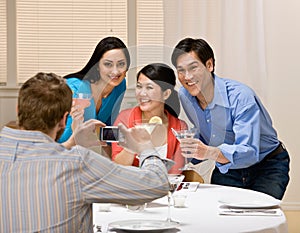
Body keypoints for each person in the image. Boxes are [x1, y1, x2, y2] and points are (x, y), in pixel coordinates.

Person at [0, 72, 170, 233]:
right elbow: (156, 184)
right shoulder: (78, 163)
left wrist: (71, 142)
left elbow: (36, 158)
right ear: (63, 120)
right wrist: (146, 147)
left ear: (18, 109)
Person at [170, 38, 290, 200]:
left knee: (259, 217)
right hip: (228, 166)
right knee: (220, 217)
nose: (187, 77)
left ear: (209, 65)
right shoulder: (186, 95)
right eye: (181, 70)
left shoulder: (241, 97)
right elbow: (207, 133)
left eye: (193, 68)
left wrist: (206, 152)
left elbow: (249, 152)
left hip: (267, 164)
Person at [112, 63, 188, 174]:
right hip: (130, 188)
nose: (142, 93)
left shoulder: (180, 127)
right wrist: (131, 147)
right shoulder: (124, 119)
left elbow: (176, 173)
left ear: (166, 94)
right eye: (139, 86)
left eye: (149, 87)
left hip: (165, 189)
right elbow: (117, 167)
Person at [58, 36, 130, 150]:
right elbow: (64, 138)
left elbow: (107, 128)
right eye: (108, 64)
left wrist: (127, 136)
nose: (116, 71)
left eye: (121, 64)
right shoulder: (76, 89)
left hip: (86, 151)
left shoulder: (119, 85)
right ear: (97, 66)